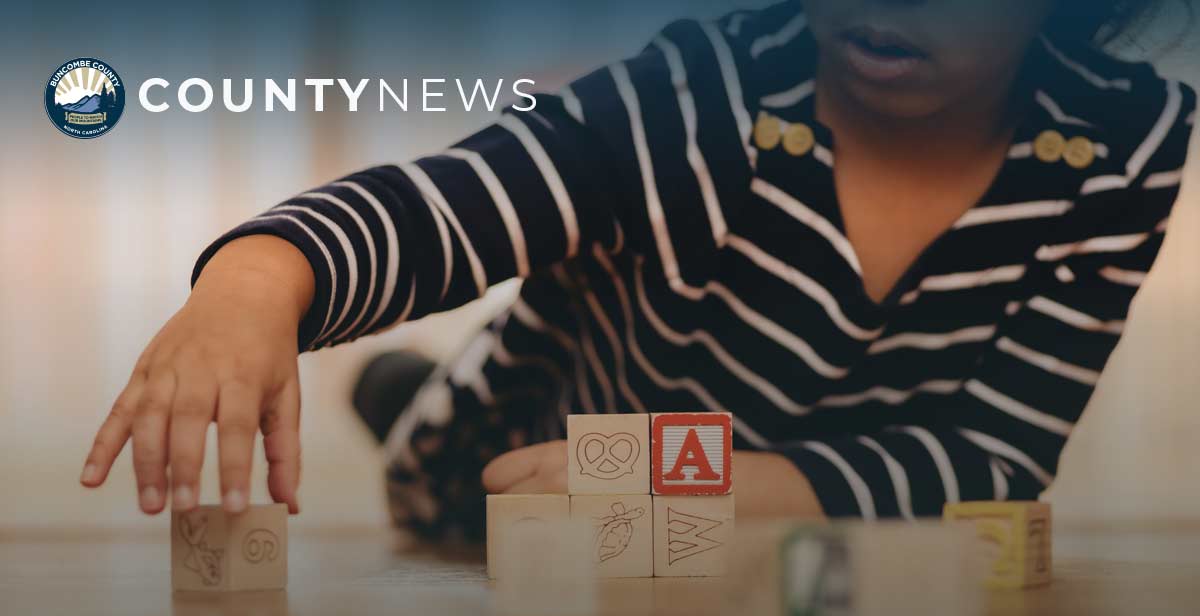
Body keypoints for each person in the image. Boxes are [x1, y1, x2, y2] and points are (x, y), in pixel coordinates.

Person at [80, 0, 1195, 540]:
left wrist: (690, 473)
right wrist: (257, 279)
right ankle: (402, 389)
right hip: (518, 454)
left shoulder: (1131, 144)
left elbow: (996, 457)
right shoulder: (695, 95)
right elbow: (447, 207)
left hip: (780, 508)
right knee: (433, 426)